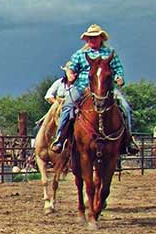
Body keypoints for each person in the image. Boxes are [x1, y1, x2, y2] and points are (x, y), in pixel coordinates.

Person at [50, 24, 138, 155]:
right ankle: (60, 139)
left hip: (106, 88)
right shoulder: (80, 54)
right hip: (82, 87)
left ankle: (129, 139)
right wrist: (70, 74)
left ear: (101, 38)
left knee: (125, 107)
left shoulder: (110, 53)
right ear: (86, 39)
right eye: (90, 38)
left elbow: (118, 68)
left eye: (95, 37)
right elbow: (72, 67)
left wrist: (119, 77)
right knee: (67, 106)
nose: (92, 40)